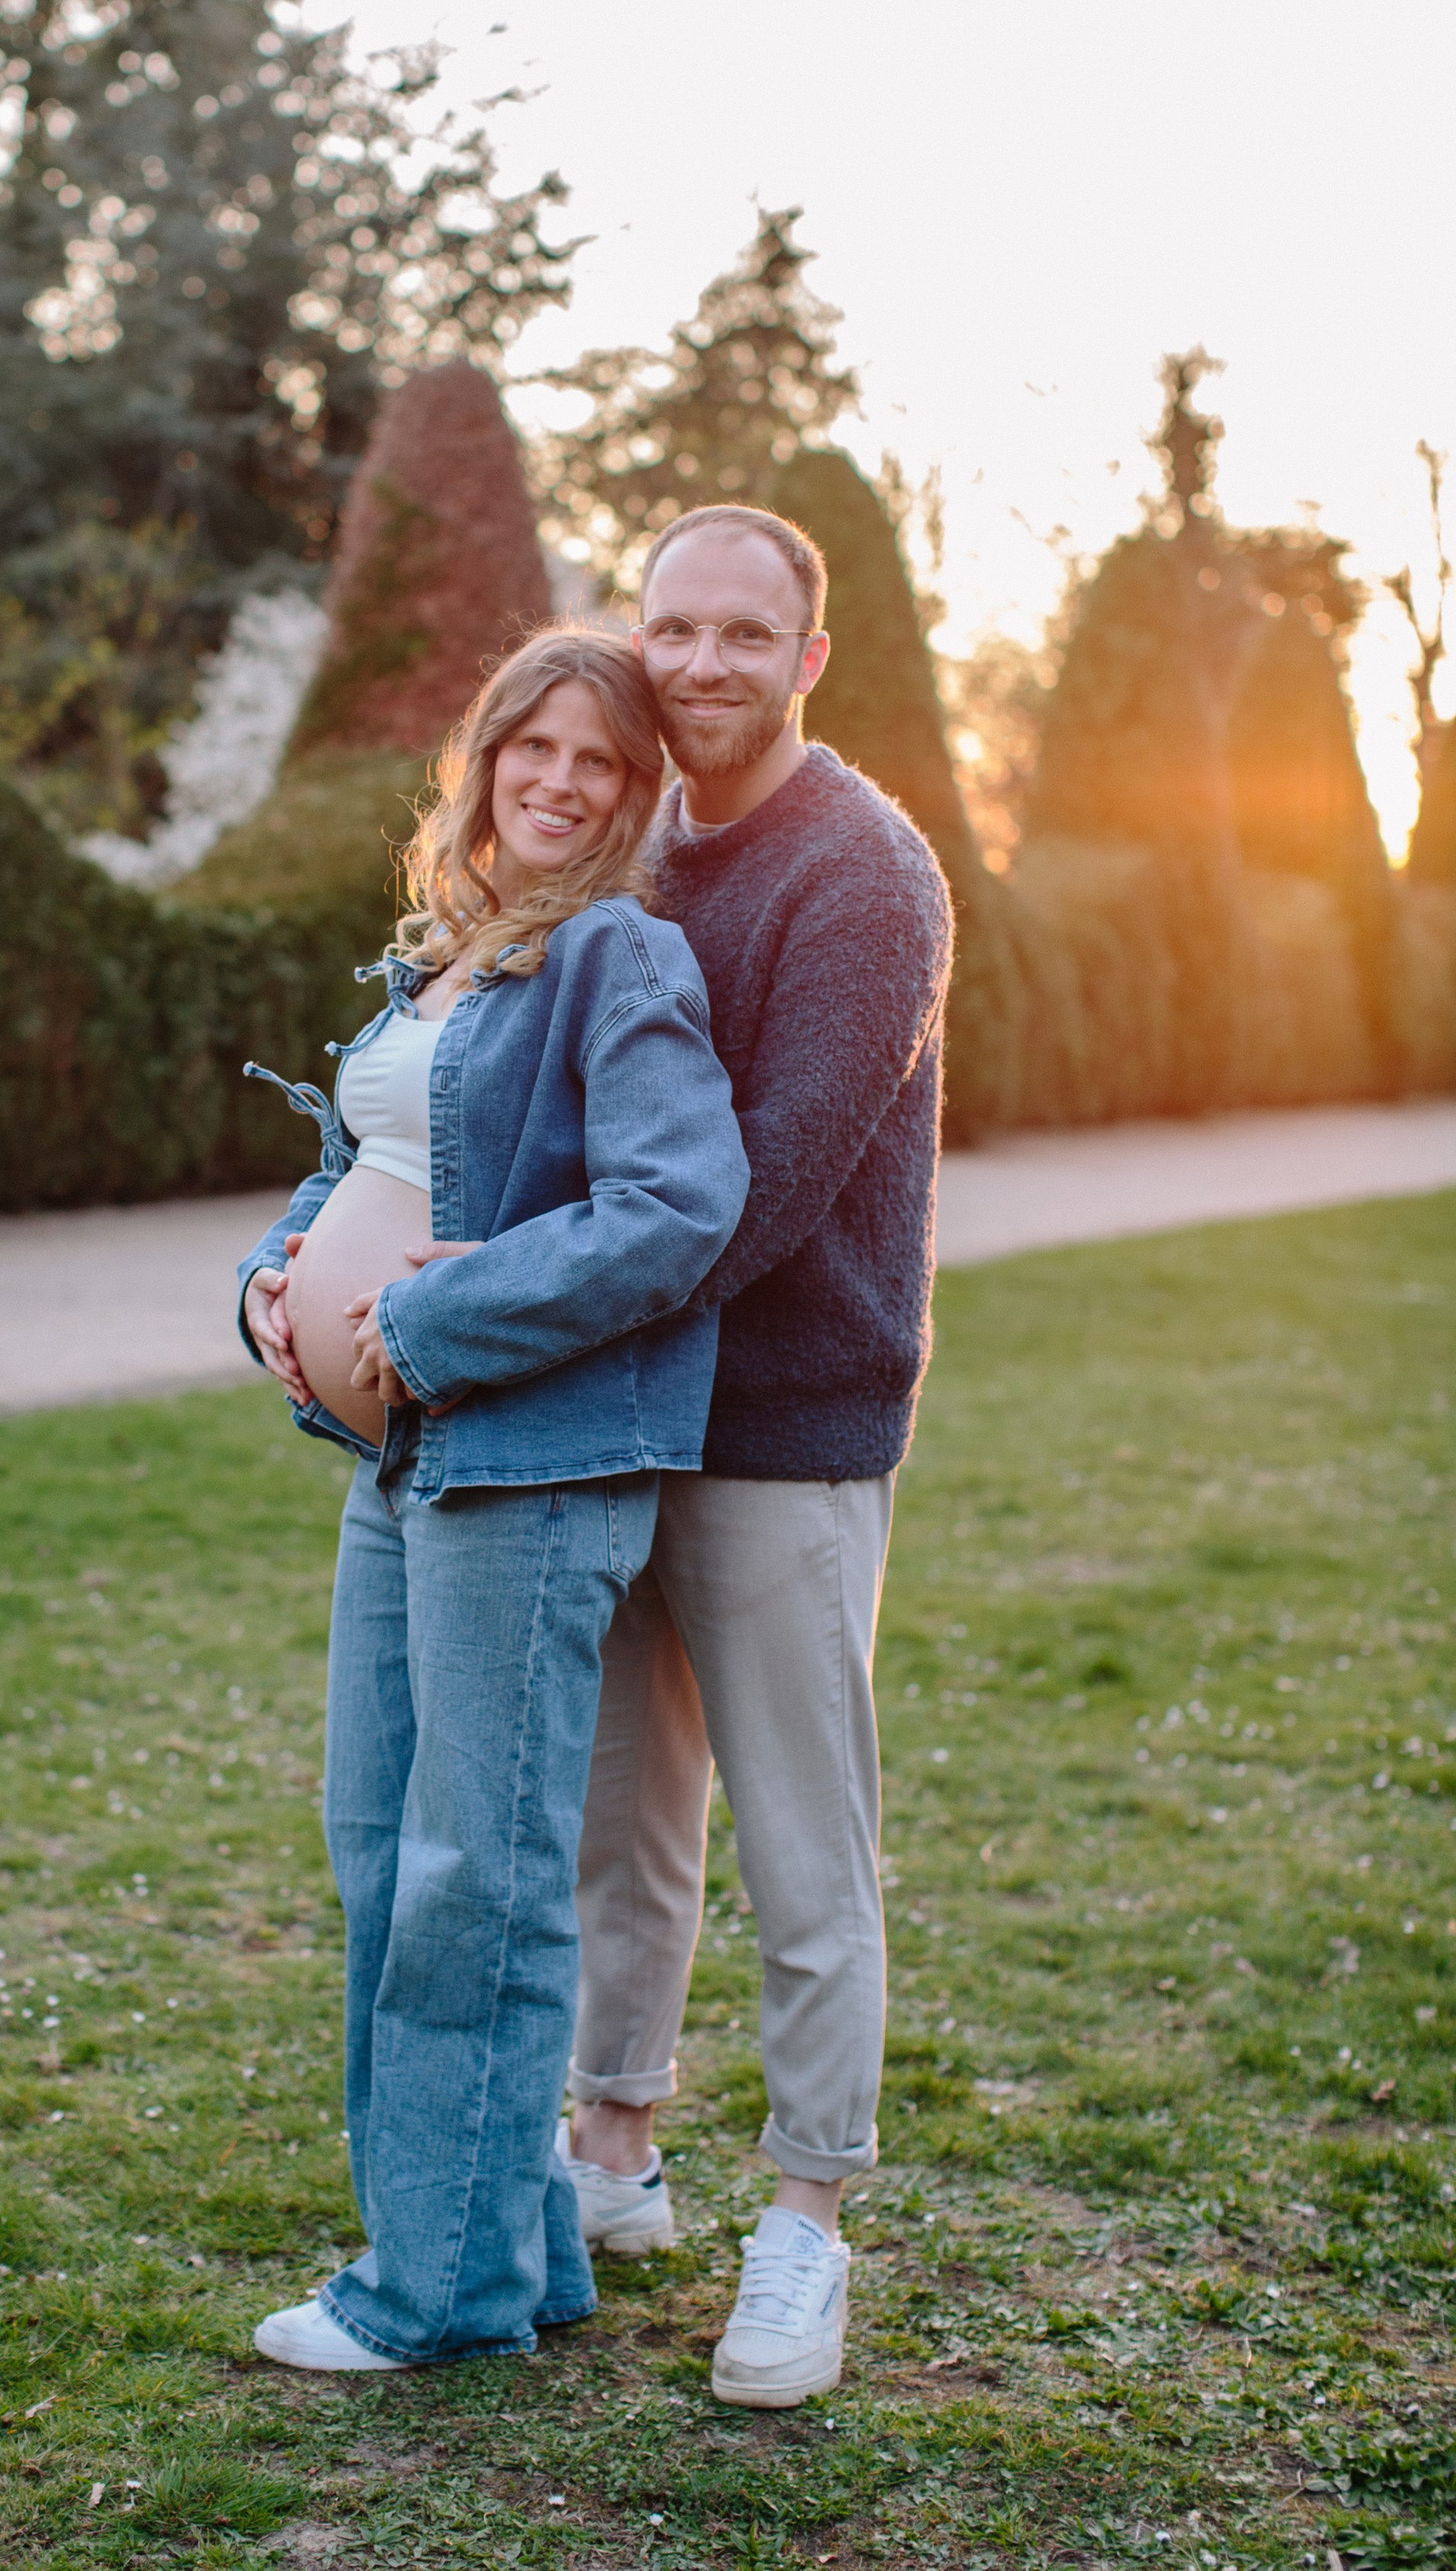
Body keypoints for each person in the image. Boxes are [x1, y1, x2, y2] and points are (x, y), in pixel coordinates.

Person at [235, 624, 749, 2371]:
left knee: (476, 1877)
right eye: (528, 745)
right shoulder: (445, 964)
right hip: (402, 1464)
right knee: (381, 1849)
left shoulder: (619, 960)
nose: (554, 779)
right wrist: (271, 1283)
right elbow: (352, 1169)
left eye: (594, 763)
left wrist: (429, 1320)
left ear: (628, 797)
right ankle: (511, 2246)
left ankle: (435, 2298)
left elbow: (679, 1211)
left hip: (525, 1468)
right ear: (480, 758)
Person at [554, 503, 953, 2409]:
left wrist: (519, 1312)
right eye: (670, 630)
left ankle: (805, 2223)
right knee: (620, 1826)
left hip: (783, 1424)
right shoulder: (626, 839)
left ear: (807, 656)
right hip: (615, 1414)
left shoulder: (861, 871)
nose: (698, 664)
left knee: (808, 1850)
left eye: (741, 634)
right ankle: (613, 2153)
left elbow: (774, 1180)